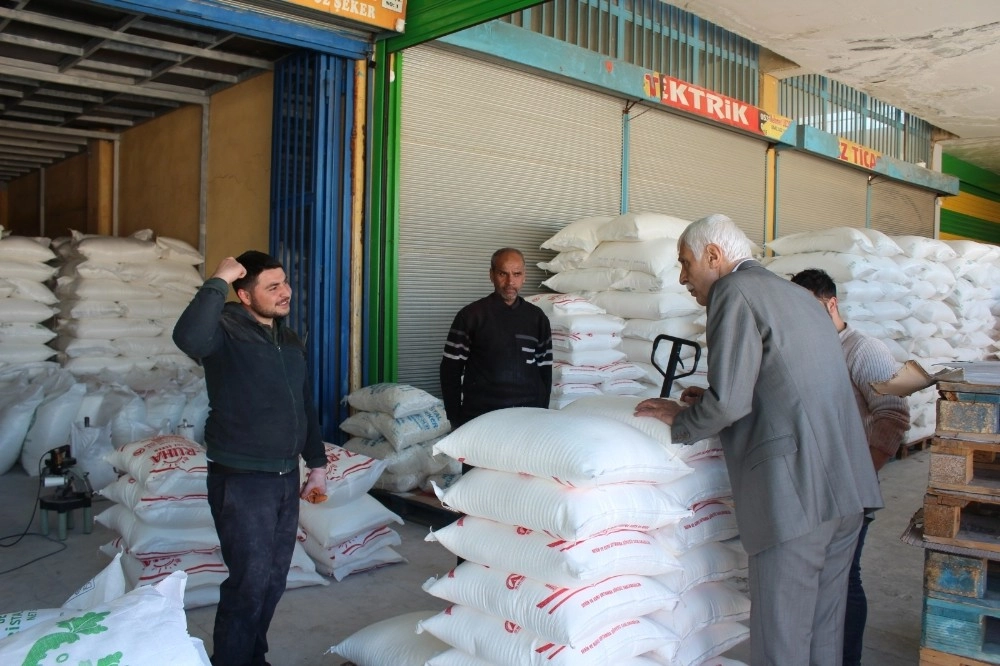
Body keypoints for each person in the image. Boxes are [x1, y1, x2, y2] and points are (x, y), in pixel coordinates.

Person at [633, 214, 883, 666]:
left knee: (781, 644)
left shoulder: (732, 291)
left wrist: (681, 420)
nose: (684, 277)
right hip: (847, 491)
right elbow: (783, 384)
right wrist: (708, 397)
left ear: (714, 256)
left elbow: (730, 405)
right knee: (823, 636)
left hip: (796, 499)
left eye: (686, 263)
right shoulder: (797, 296)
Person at [173, 250, 327, 666]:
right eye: (272, 286)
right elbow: (187, 338)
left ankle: (252, 657)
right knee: (249, 582)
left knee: (274, 580)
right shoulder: (223, 330)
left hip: (282, 478)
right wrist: (218, 278)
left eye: (285, 282)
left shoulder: (289, 339)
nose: (286, 292)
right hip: (242, 479)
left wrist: (316, 465)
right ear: (244, 294)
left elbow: (304, 405)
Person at [790, 268, 910, 666]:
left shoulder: (863, 349)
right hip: (813, 484)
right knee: (817, 578)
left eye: (809, 311)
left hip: (850, 486)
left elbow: (893, 416)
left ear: (831, 303)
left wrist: (863, 473)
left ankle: (848, 659)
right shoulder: (807, 349)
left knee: (844, 579)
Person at [439, 247, 553, 429]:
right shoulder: (471, 316)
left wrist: (543, 411)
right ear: (491, 275)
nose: (510, 281)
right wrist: (454, 417)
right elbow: (450, 369)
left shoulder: (537, 318)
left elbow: (545, 371)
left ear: (524, 276)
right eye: (503, 273)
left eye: (516, 274)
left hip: (529, 417)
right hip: (481, 417)